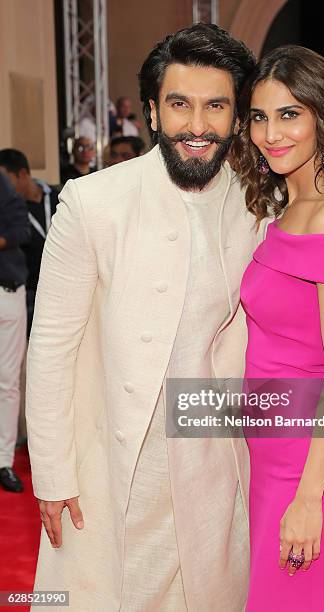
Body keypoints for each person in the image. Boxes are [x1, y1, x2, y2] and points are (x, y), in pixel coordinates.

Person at [26, 24, 262, 611]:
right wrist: (53, 474)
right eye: (180, 105)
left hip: (211, 465)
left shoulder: (257, 204)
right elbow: (52, 345)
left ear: (237, 117)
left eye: (216, 106)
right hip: (112, 465)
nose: (198, 126)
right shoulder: (93, 202)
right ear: (153, 112)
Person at [232, 45, 324, 610]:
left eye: (290, 114)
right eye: (260, 116)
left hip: (316, 460)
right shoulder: (286, 208)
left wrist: (310, 497)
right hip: (274, 449)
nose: (272, 133)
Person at [0, 149, 59, 337]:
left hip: (62, 285)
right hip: (30, 290)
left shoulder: (60, 196)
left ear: (22, 174)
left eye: (4, 179)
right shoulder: (9, 213)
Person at [0, 171, 30, 493]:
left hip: (8, 290)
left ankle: (3, 461)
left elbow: (18, 229)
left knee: (8, 381)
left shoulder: (2, 183)